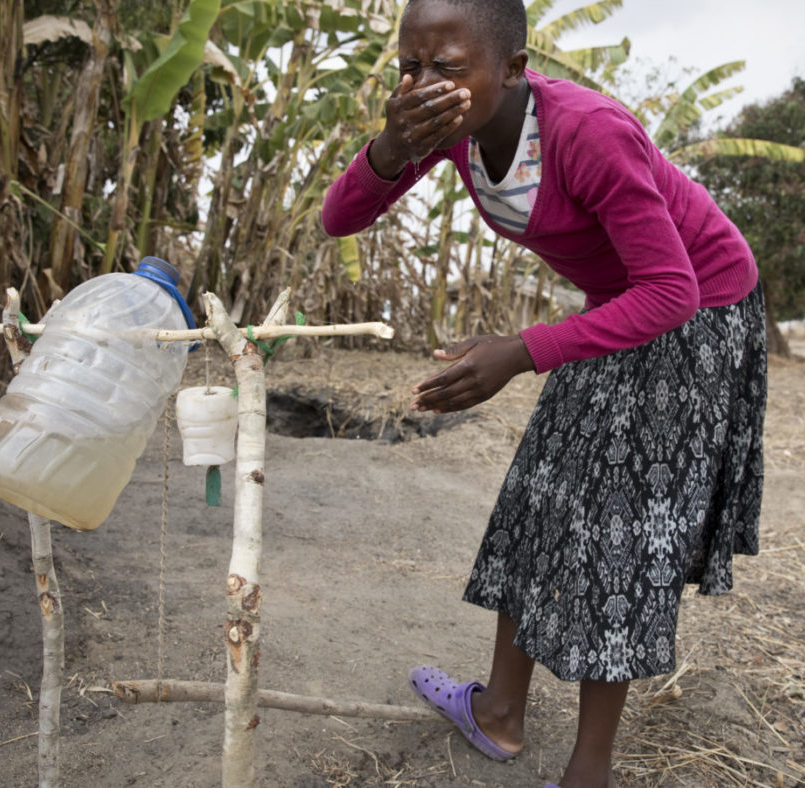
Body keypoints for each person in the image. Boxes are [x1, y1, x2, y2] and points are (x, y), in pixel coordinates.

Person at [320, 1, 766, 785]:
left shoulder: (587, 133)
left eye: (450, 68)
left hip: (701, 311)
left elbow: (672, 291)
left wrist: (522, 353)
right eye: (410, 67)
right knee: (542, 497)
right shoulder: (450, 130)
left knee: (620, 536)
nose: (427, 85)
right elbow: (339, 216)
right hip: (619, 302)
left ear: (514, 69)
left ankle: (587, 771)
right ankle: (499, 713)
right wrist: (393, 141)